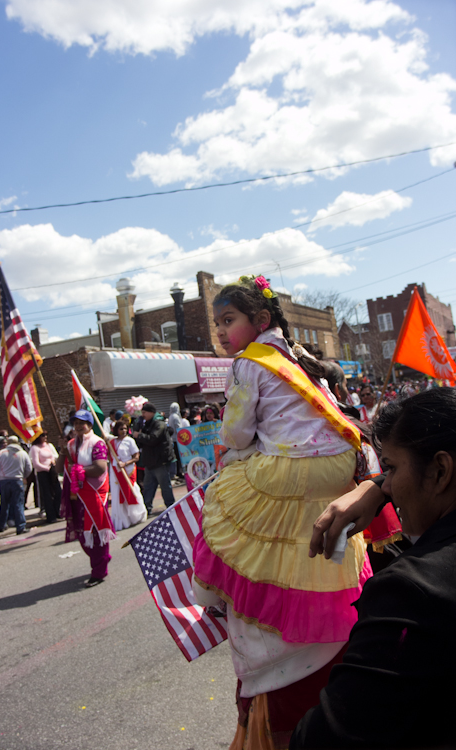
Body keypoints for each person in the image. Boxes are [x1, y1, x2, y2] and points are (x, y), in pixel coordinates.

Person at [192, 274, 372, 749]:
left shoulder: (250, 363)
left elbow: (234, 436)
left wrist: (231, 452)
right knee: (314, 537)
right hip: (339, 467)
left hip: (297, 469)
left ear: (261, 320)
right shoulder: (296, 356)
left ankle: (213, 593)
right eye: (217, 324)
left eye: (228, 320)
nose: (221, 333)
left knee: (225, 490)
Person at [291, 388, 456, 748]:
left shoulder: (412, 591)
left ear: (441, 470)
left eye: (392, 468)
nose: (392, 487)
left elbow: (326, 739)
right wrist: (377, 487)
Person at [57, 409, 115, 587]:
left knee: (96, 533)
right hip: (76, 494)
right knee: (82, 534)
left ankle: (98, 571)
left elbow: (100, 468)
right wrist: (61, 451)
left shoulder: (97, 443)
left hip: (94, 493)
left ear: (89, 425)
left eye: (81, 422)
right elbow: (60, 469)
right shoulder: (71, 444)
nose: (78, 426)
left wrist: (79, 470)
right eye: (75, 423)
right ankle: (102, 558)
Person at [133, 402, 176, 515]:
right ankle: (147, 508)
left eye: (144, 412)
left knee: (164, 485)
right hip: (150, 462)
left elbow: (153, 438)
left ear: (151, 412)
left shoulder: (159, 424)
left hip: (160, 461)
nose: (142, 415)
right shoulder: (146, 424)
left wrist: (140, 435)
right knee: (148, 487)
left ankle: (171, 506)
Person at [108, 420, 147, 530]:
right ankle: (124, 519)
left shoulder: (130, 441)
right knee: (119, 494)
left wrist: (125, 463)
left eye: (125, 428)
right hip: (116, 472)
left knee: (132, 491)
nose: (124, 431)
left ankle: (137, 515)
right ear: (116, 430)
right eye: (121, 429)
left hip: (128, 471)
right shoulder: (112, 443)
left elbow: (136, 457)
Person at [0, 435, 32, 535]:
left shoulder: (1, 454)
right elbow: (29, 468)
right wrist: (23, 476)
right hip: (17, 480)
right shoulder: (22, 453)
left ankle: (2, 525)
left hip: (4, 481)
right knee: (18, 504)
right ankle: (20, 526)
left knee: (4, 504)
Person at [29, 432, 61, 523]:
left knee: (58, 492)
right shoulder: (35, 448)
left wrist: (53, 462)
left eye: (46, 435)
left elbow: (55, 456)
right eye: (42, 435)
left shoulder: (49, 446)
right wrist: (46, 468)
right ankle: (50, 516)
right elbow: (35, 463)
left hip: (52, 471)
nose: (45, 437)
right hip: (43, 472)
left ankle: (57, 511)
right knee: (47, 494)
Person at [168, 402, 184, 479]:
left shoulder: (170, 416)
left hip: (173, 439)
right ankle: (180, 471)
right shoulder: (176, 417)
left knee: (176, 456)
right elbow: (179, 428)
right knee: (180, 456)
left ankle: (177, 471)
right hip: (178, 439)